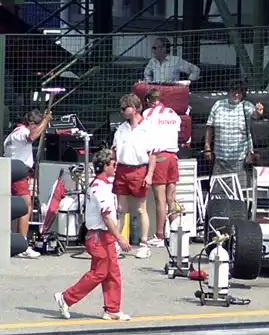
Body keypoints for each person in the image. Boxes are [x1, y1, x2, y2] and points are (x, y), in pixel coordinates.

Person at [54, 148, 132, 321]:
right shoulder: (100, 188)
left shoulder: (102, 185)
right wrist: (120, 237)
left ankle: (112, 309)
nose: (115, 166)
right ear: (105, 166)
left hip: (103, 236)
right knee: (99, 273)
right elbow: (105, 216)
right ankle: (66, 298)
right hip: (99, 236)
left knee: (113, 273)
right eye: (113, 164)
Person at [112, 93, 158, 259]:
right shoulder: (121, 128)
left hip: (139, 170)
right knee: (121, 209)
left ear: (135, 108)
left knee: (140, 209)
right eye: (122, 108)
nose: (122, 111)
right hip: (122, 170)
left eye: (125, 108)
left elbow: (153, 154)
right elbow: (114, 149)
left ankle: (144, 244)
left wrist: (149, 175)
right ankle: (118, 242)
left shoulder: (147, 128)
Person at [2, 109, 51, 258]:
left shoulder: (12, 135)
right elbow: (32, 137)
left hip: (12, 172)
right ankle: (22, 244)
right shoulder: (21, 132)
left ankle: (15, 242)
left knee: (15, 209)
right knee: (25, 206)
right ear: (30, 123)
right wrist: (46, 121)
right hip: (18, 173)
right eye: (36, 125)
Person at [204, 79, 265, 192]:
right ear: (228, 91)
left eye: (240, 92)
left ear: (243, 94)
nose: (236, 94)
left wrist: (258, 112)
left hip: (240, 161)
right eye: (234, 90)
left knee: (241, 194)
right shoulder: (218, 105)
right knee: (218, 194)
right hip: (220, 160)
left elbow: (255, 115)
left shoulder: (246, 106)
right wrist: (207, 148)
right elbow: (209, 127)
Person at [142, 89, 183, 247]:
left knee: (160, 199)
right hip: (173, 157)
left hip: (159, 157)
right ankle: (175, 234)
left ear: (148, 100)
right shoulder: (173, 113)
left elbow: (144, 135)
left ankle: (159, 236)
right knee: (171, 199)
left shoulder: (148, 114)